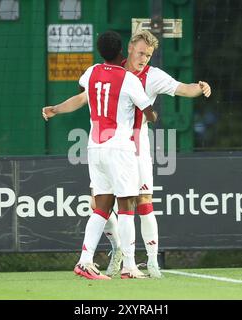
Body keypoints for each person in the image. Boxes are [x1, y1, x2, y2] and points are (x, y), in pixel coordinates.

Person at [43, 31, 211, 278]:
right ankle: (119, 252)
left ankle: (151, 262)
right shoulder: (119, 74)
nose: (144, 58)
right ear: (130, 48)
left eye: (149, 55)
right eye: (141, 52)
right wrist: (58, 108)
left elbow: (182, 89)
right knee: (104, 205)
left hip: (135, 149)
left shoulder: (151, 76)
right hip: (117, 148)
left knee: (142, 203)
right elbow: (85, 96)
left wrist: (199, 87)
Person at [45, 30, 158, 280]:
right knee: (127, 206)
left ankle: (85, 261)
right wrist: (149, 115)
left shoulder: (92, 72)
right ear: (121, 52)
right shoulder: (129, 79)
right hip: (119, 149)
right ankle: (129, 266)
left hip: (95, 148)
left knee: (101, 208)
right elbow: (149, 113)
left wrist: (56, 109)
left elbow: (83, 94)